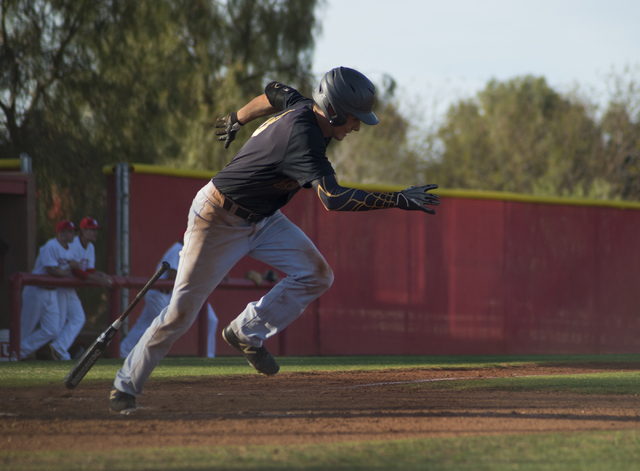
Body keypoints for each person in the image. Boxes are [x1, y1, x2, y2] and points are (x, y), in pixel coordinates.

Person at [109, 66, 439, 414]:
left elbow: (273, 93)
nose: (357, 126)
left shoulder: (303, 106)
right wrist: (397, 199)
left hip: (263, 219)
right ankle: (125, 388)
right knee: (179, 313)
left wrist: (237, 117)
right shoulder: (304, 137)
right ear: (334, 111)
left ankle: (245, 332)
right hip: (218, 218)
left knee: (317, 274)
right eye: (354, 118)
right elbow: (333, 199)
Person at [119, 239, 218, 359]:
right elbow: (172, 275)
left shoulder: (196, 251)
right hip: (159, 293)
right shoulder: (178, 248)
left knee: (145, 324)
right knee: (162, 325)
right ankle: (143, 356)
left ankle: (124, 351)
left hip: (175, 293)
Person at [20, 220, 81, 360]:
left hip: (52, 292)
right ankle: (16, 354)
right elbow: (52, 271)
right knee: (26, 327)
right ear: (60, 233)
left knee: (52, 329)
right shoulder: (51, 246)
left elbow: (64, 272)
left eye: (73, 231)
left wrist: (64, 270)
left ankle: (21, 350)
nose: (73, 234)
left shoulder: (70, 249)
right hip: (36, 290)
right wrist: (67, 267)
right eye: (69, 231)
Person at [62, 217, 113, 359]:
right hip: (60, 286)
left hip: (68, 288)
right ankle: (57, 350)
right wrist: (96, 278)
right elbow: (75, 271)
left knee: (77, 318)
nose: (95, 233)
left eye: (96, 230)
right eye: (91, 230)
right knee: (58, 323)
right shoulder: (73, 245)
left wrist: (100, 274)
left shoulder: (90, 247)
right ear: (83, 231)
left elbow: (89, 269)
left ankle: (58, 350)